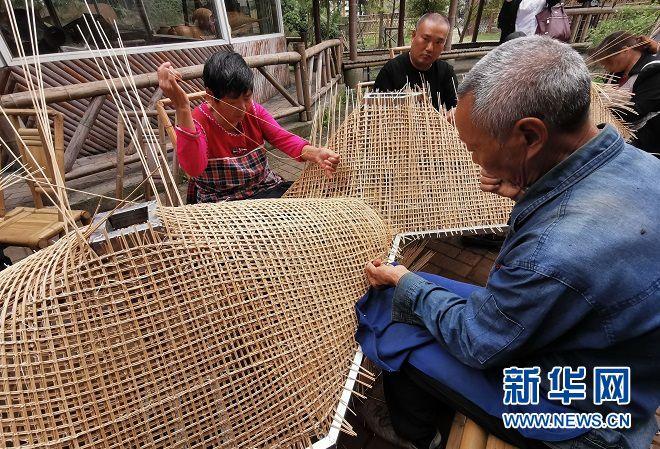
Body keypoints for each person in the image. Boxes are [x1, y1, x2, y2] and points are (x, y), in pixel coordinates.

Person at [358, 36, 659, 449]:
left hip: (589, 413)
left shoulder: (551, 253)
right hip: (615, 365)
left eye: (475, 148)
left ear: (530, 136)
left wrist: (406, 284)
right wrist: (527, 192)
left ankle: (418, 434)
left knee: (393, 321)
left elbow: (478, 341)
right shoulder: (642, 164)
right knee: (418, 292)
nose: (475, 161)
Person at [157, 52, 339, 203]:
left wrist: (315, 153)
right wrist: (182, 107)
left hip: (264, 188)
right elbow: (194, 168)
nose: (243, 108)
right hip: (222, 203)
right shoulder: (197, 121)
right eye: (233, 103)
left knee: (315, 201)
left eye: (247, 98)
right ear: (210, 97)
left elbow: (283, 138)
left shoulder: (254, 111)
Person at [590, 31, 660, 155]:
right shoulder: (617, 70)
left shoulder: (654, 71)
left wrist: (597, 110)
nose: (605, 67)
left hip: (643, 139)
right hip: (614, 128)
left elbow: (637, 111)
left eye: (608, 61)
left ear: (625, 51)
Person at [373, 13, 457, 111]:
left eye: (438, 42)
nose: (430, 48)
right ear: (413, 36)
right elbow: (376, 112)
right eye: (425, 39)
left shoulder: (446, 72)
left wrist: (453, 113)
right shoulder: (391, 71)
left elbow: (456, 108)